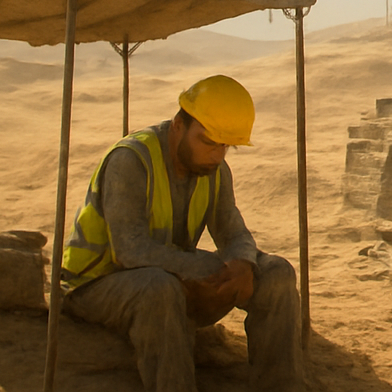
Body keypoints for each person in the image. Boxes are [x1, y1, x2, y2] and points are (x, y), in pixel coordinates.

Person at [61, 74, 305, 392]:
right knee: (159, 287)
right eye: (208, 141)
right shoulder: (131, 161)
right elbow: (129, 250)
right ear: (179, 124)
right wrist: (207, 272)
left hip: (169, 277)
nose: (217, 155)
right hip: (93, 285)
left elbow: (233, 232)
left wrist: (243, 263)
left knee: (276, 273)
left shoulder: (213, 170)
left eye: (225, 146)